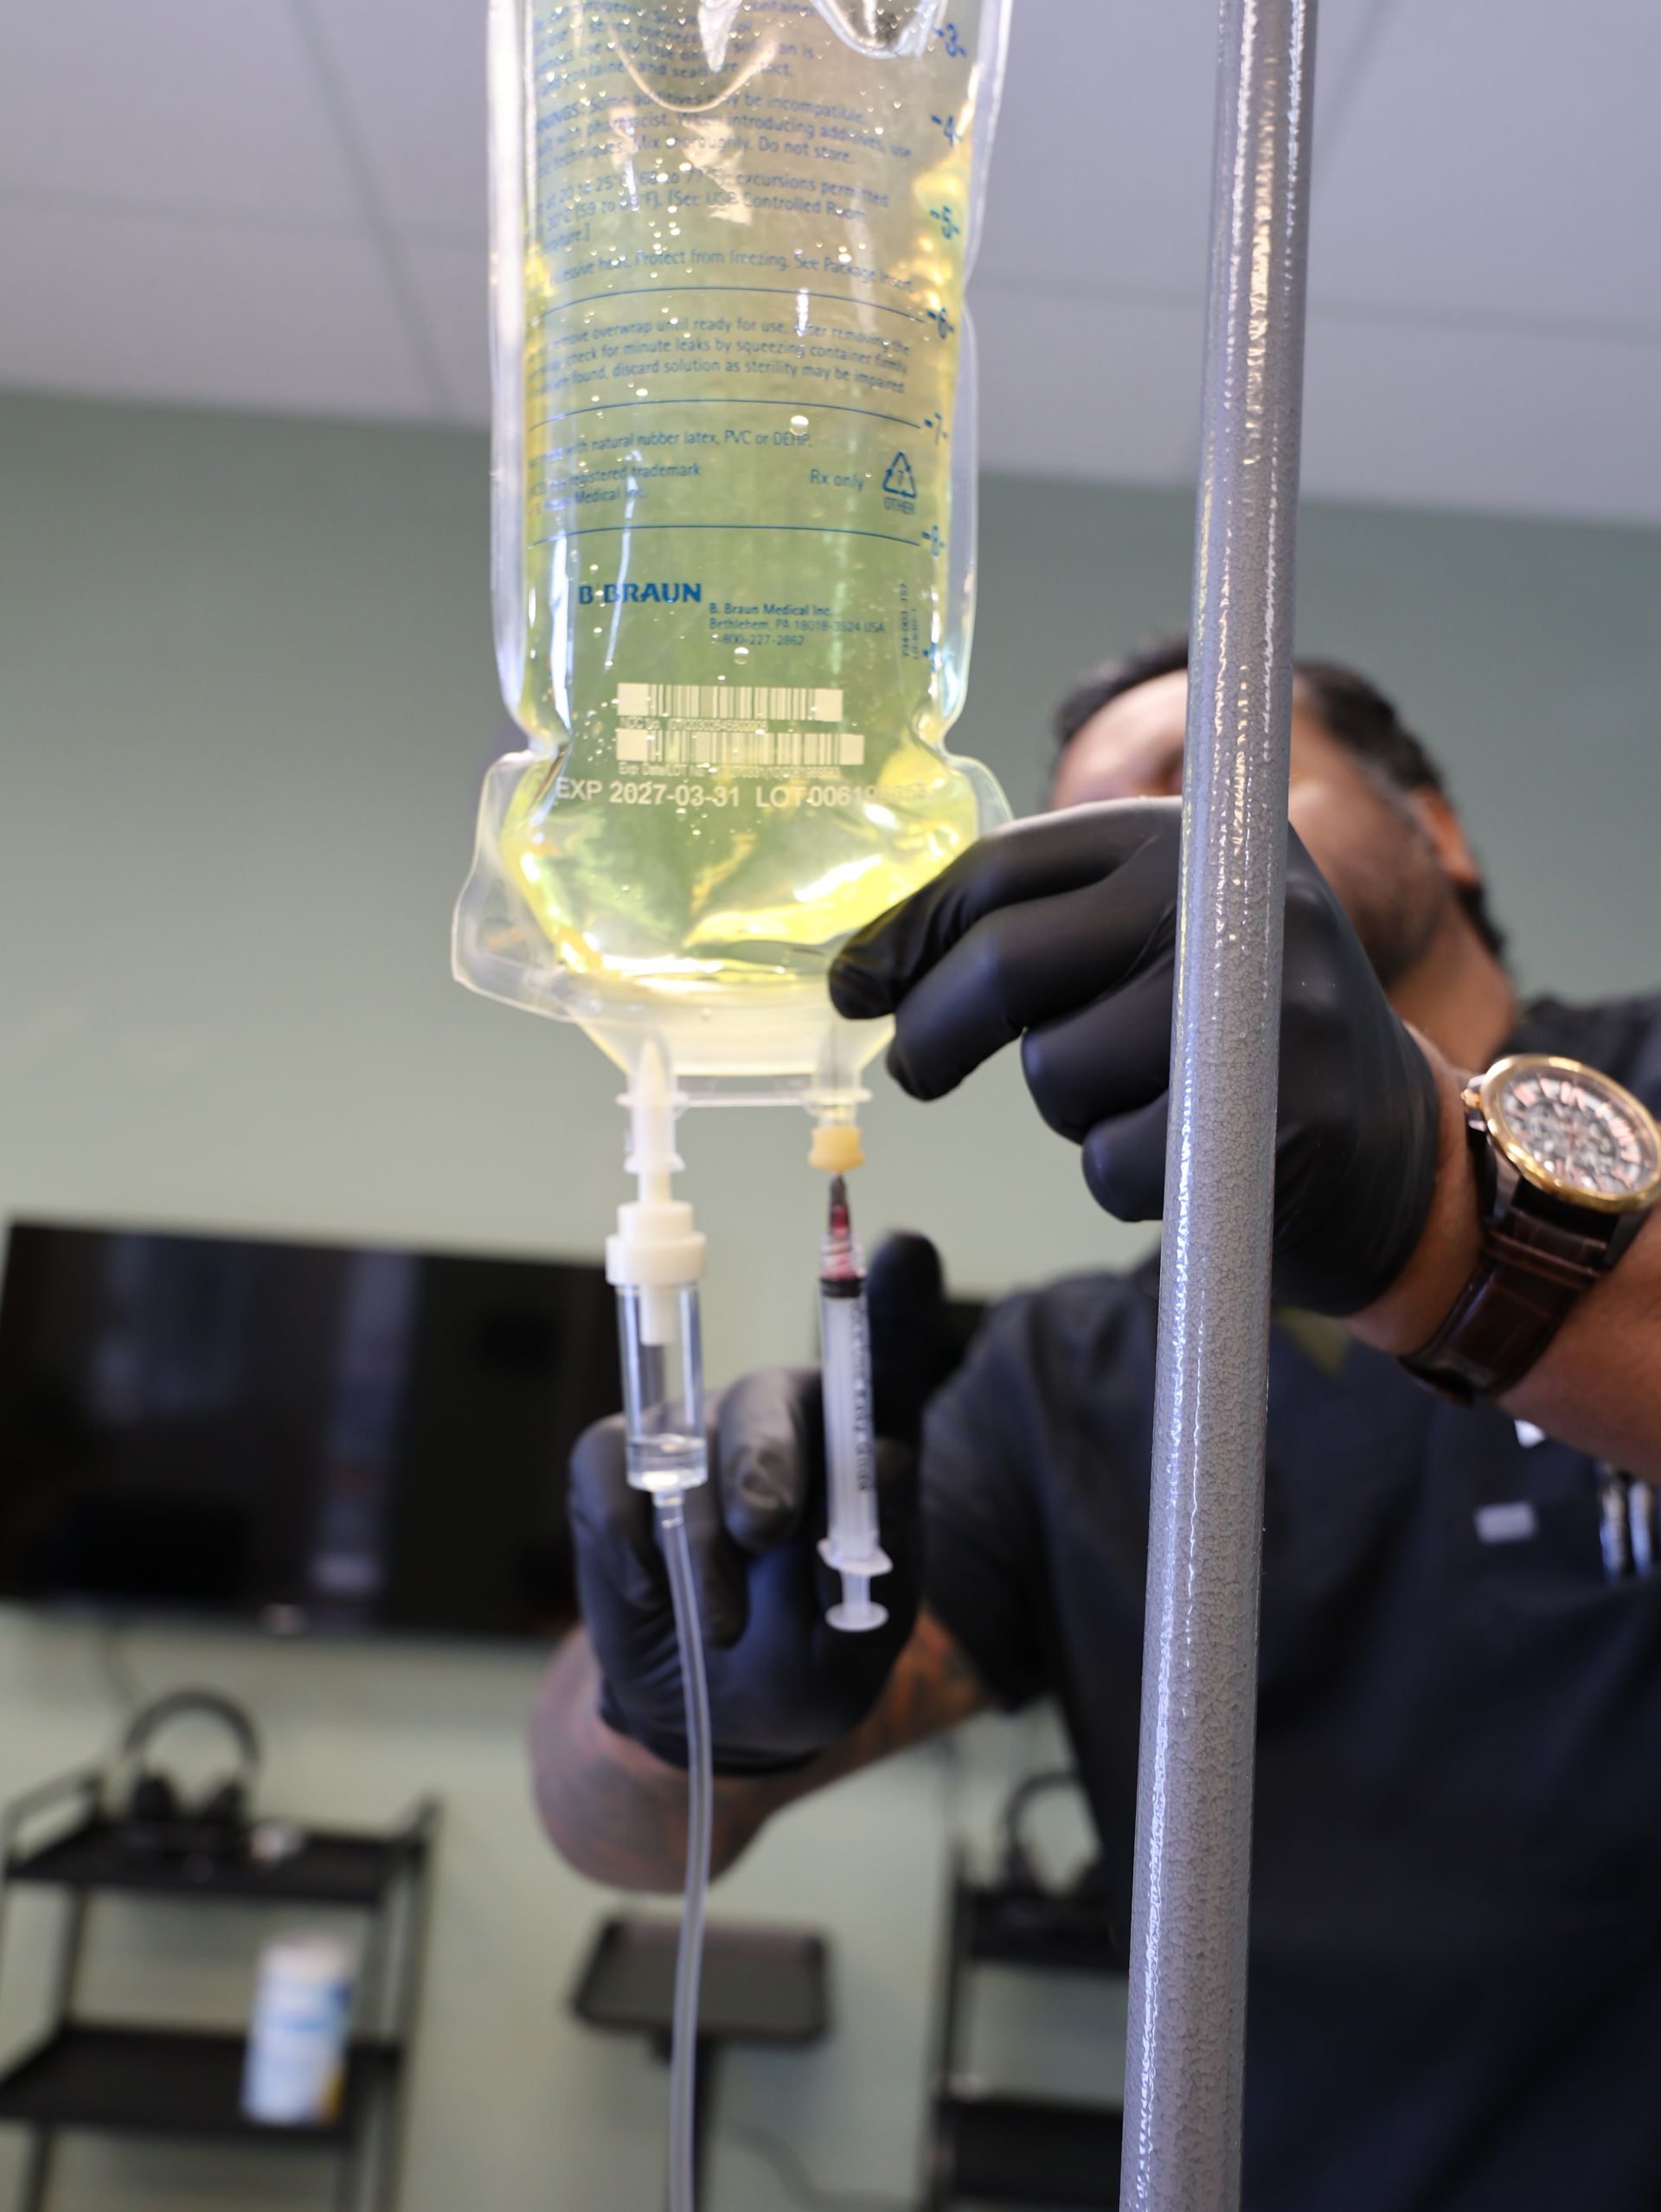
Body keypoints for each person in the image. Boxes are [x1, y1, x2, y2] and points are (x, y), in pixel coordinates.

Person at [533, 638, 1661, 2211]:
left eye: (1214, 768)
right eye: (1099, 823)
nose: (1162, 836)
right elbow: (625, 1836)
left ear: (1438, 830)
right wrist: (684, 1692)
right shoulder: (1074, 1380)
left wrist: (1448, 1210)